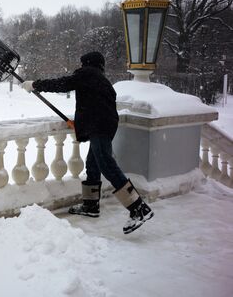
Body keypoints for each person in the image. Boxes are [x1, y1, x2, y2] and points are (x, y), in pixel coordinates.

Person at [21, 51, 153, 234]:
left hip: (99, 126)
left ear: (87, 64)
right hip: (105, 125)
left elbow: (63, 84)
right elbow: (95, 105)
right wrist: (80, 123)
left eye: (82, 64)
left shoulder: (87, 74)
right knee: (93, 163)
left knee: (106, 164)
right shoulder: (102, 80)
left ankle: (138, 208)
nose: (81, 67)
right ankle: (91, 205)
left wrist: (35, 84)